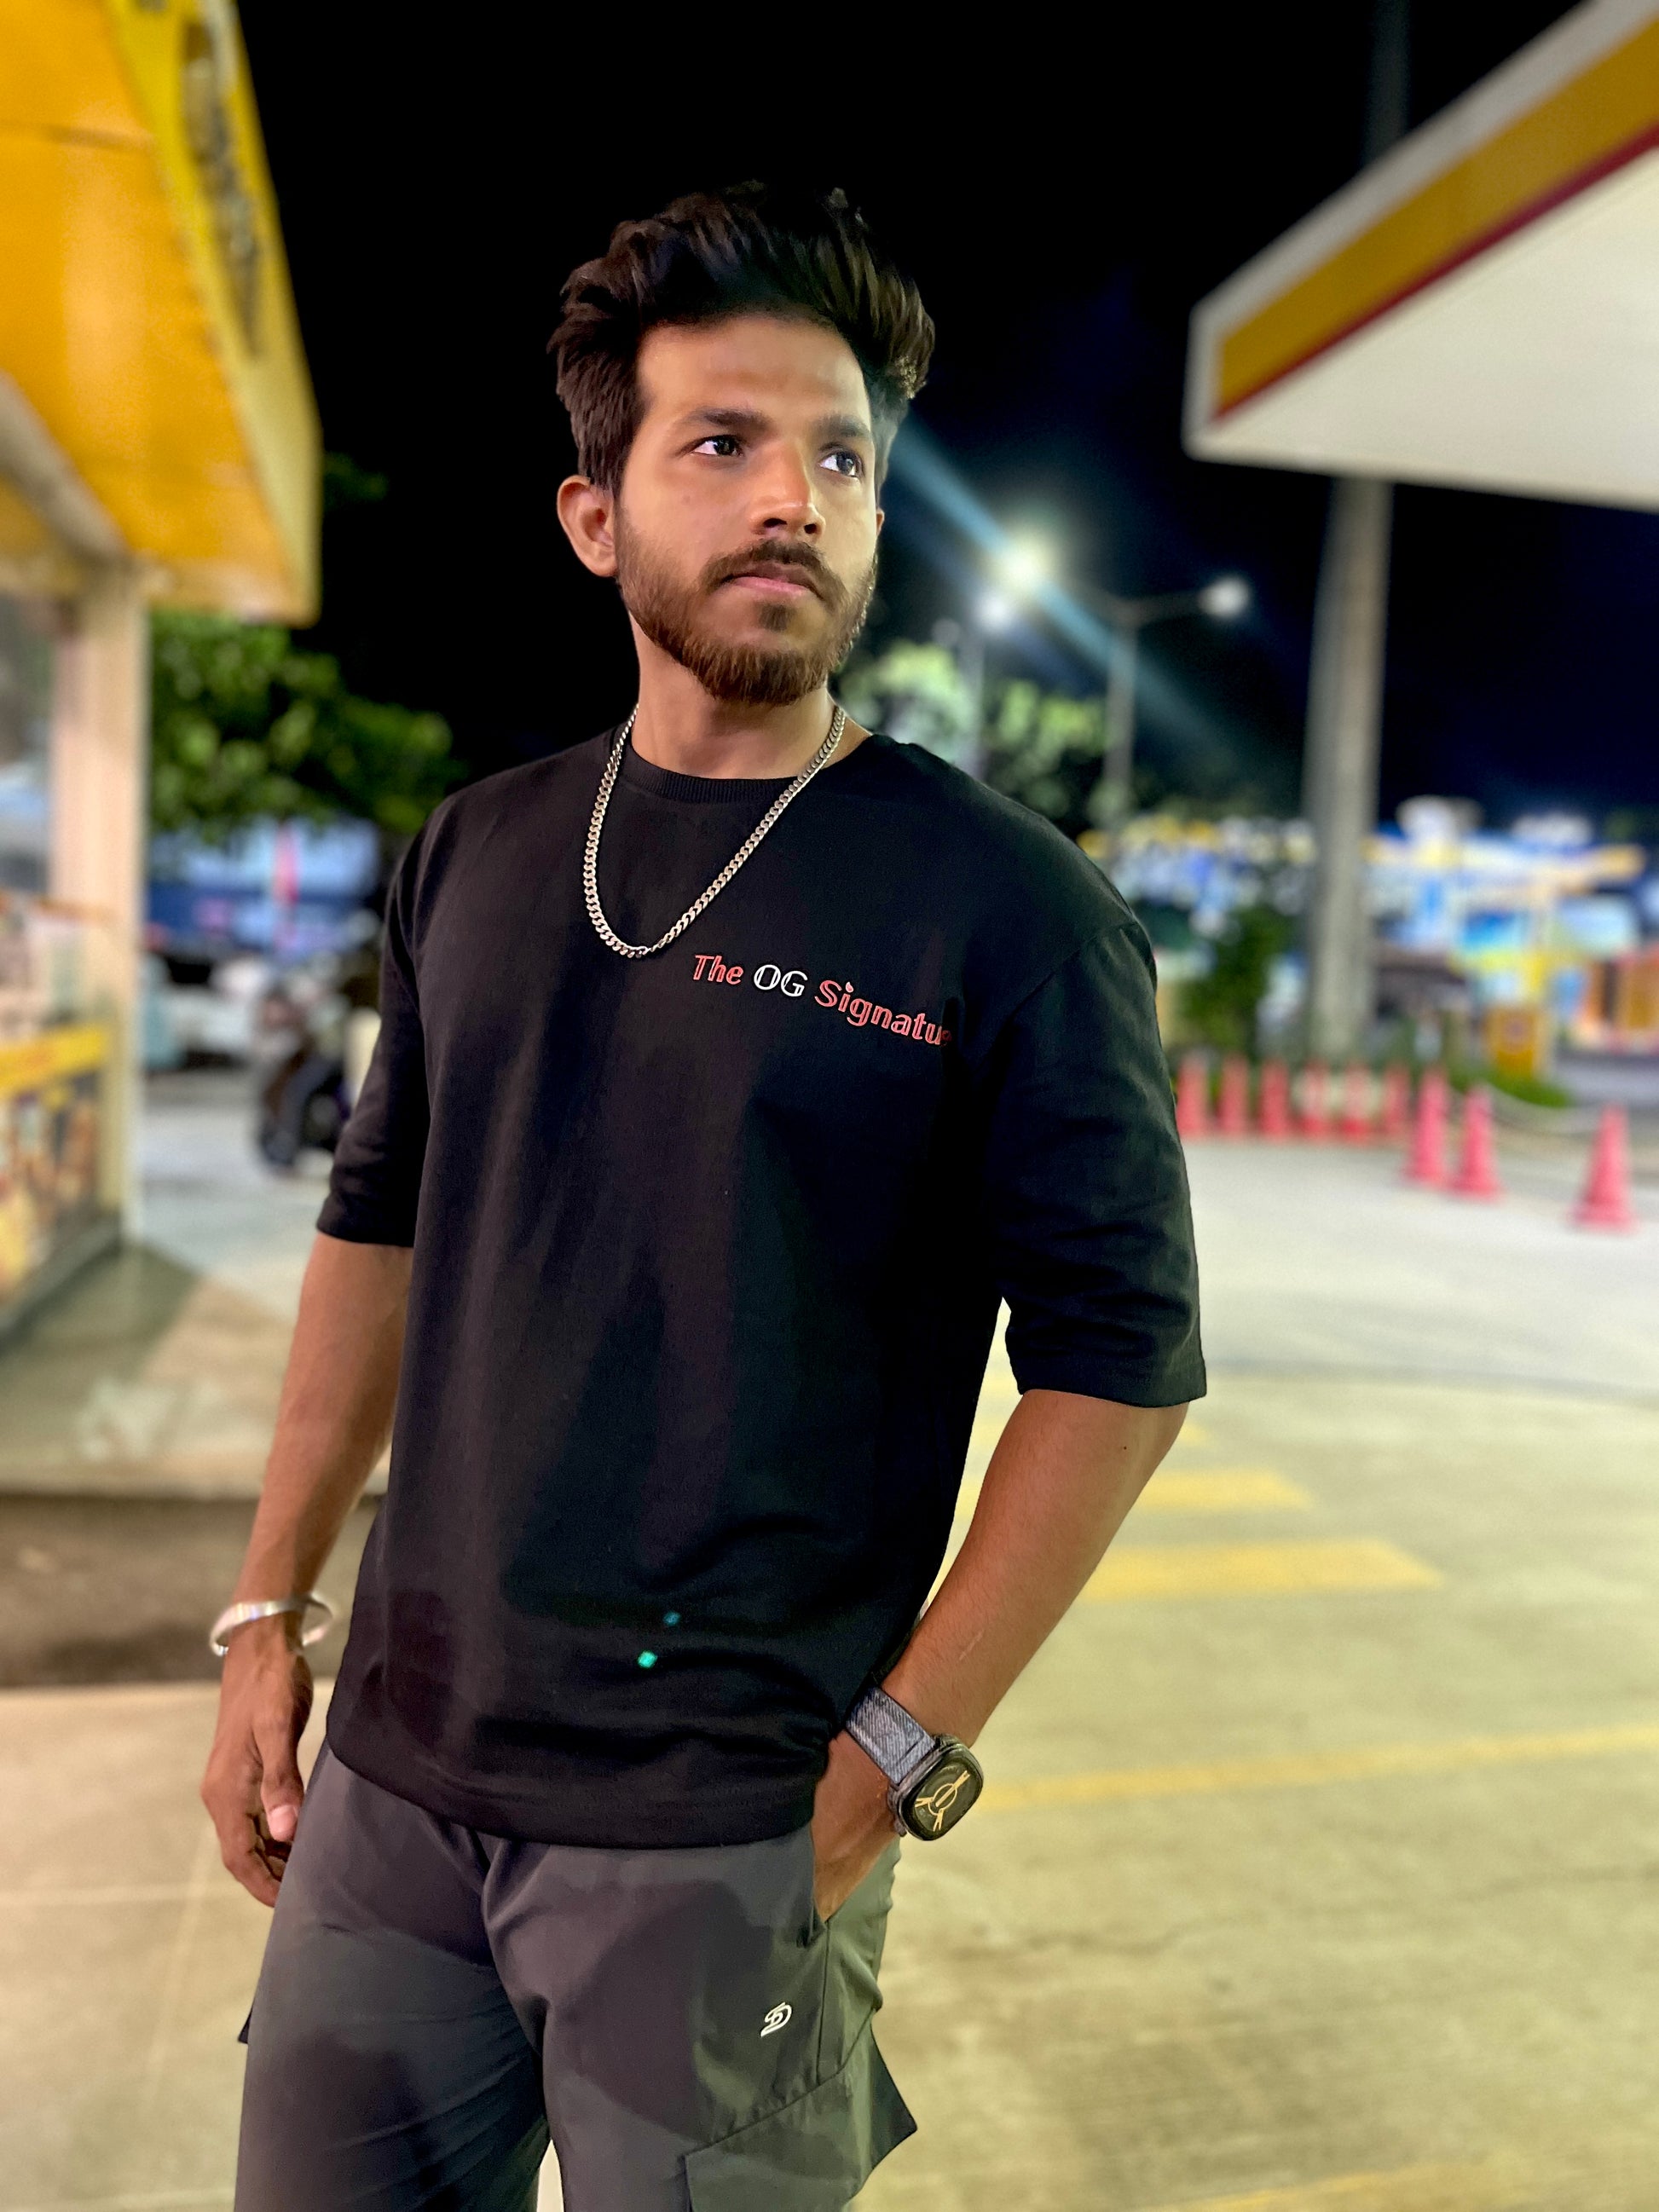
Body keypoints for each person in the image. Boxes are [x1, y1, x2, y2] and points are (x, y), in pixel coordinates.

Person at [205, 182, 1205, 2212]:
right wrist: (263, 1608)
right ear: (596, 516)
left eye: (840, 455)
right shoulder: (478, 851)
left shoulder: (1005, 910)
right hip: (393, 1792)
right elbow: (375, 1228)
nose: (794, 501)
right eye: (723, 446)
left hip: (723, 1826)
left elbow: (1120, 1366)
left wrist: (892, 1761)